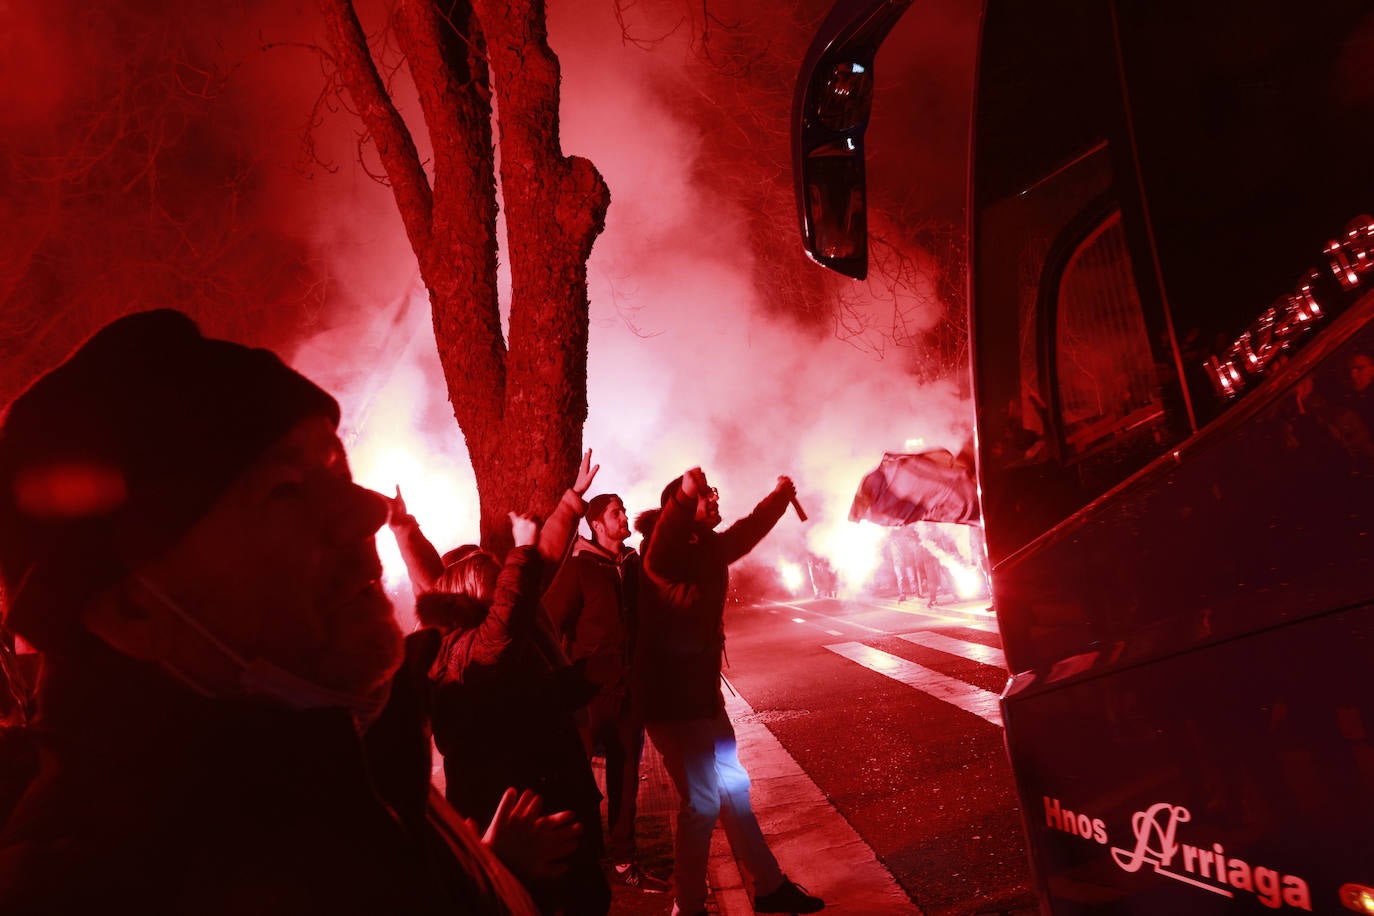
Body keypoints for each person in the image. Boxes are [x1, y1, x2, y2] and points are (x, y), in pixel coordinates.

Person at [0, 309, 574, 914]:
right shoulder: (95, 885)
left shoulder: (349, 755)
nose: (364, 513)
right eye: (283, 491)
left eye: (334, 465)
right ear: (133, 610)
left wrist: (481, 875)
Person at [636, 467, 825, 916]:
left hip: (701, 699)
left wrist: (778, 498)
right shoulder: (661, 557)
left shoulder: (706, 550)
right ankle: (690, 906)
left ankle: (769, 888)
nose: (714, 499)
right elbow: (665, 544)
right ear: (679, 515)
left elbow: (748, 530)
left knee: (734, 791)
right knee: (702, 804)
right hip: (674, 705)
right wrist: (683, 496)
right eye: (705, 496)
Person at [424, 513, 611, 916]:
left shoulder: (498, 653)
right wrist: (522, 548)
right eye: (495, 588)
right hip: (513, 814)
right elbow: (507, 616)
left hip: (545, 799)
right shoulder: (462, 653)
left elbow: (535, 701)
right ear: (470, 596)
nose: (506, 597)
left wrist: (586, 678)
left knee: (589, 896)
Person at [544, 493, 669, 892]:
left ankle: (623, 860)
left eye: (624, 511)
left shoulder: (631, 566)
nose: (624, 516)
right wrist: (569, 678)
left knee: (626, 780)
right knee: (575, 781)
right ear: (597, 524)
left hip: (629, 693)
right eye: (616, 513)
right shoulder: (581, 568)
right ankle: (572, 864)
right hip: (588, 696)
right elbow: (549, 622)